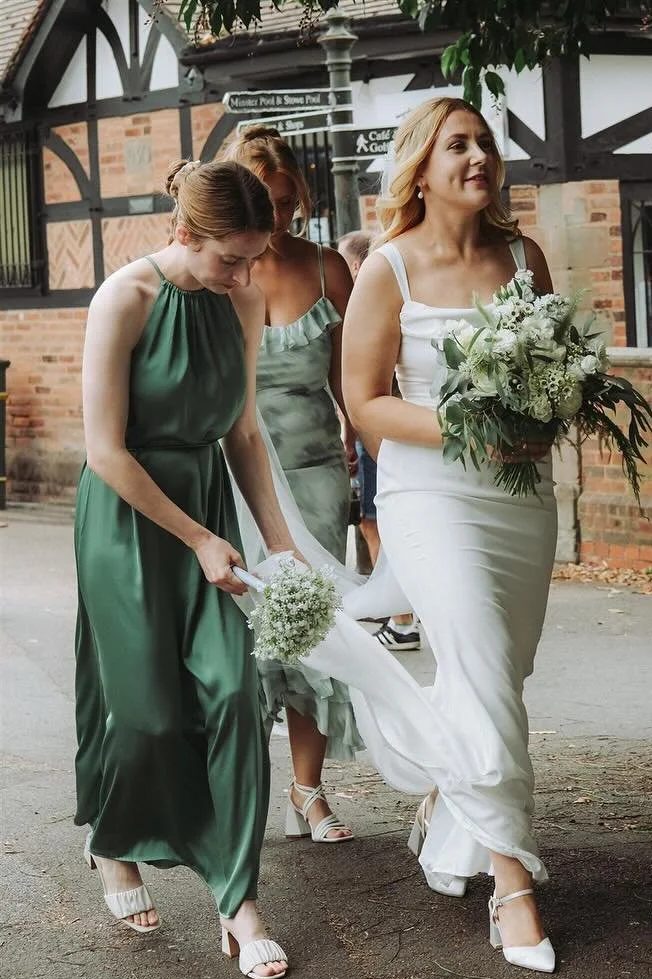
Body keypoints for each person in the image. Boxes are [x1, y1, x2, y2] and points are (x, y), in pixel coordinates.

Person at [342, 96, 559, 974]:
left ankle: (448, 792)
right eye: (456, 146)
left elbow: (551, 371)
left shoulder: (524, 258)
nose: (477, 158)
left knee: (503, 670)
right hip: (431, 497)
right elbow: (364, 402)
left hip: (519, 497)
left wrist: (549, 414)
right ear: (420, 168)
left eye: (484, 144)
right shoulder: (386, 269)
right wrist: (467, 425)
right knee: (474, 663)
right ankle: (514, 883)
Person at [74, 159, 295, 979]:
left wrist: (278, 539)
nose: (243, 274)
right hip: (128, 518)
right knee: (148, 716)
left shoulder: (244, 299)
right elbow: (103, 452)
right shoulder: (122, 300)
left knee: (236, 696)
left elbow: (241, 434)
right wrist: (198, 538)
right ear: (183, 234)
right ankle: (112, 843)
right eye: (229, 258)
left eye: (253, 258)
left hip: (208, 507)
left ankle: (240, 904)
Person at [222, 127, 361, 844]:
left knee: (315, 632)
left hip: (316, 478)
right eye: (259, 205)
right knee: (248, 643)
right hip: (238, 484)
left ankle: (307, 793)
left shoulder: (329, 268)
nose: (273, 220)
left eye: (282, 204)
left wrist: (374, 466)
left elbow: (354, 388)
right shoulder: (223, 276)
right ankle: (243, 796)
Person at [338, 227, 422, 650]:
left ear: (354, 264)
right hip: (386, 426)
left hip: (388, 430)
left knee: (374, 518)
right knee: (373, 516)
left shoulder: (372, 298)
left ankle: (402, 616)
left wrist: (352, 435)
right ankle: (399, 612)